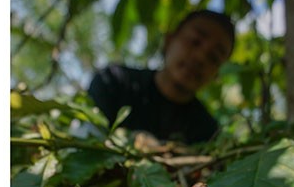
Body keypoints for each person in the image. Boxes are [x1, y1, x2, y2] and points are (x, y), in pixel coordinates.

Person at [87, 10, 235, 146]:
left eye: (214, 57)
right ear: (169, 40)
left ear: (216, 75)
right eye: (195, 41)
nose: (200, 58)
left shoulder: (208, 133)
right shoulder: (113, 82)